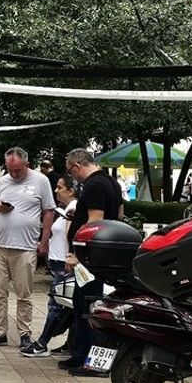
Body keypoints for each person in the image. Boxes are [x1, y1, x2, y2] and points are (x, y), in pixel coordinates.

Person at [52, 149, 123, 371]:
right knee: (85, 303)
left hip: (90, 257)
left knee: (87, 305)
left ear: (77, 166)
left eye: (71, 171)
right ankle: (80, 353)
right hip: (102, 255)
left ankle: (88, 359)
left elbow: (94, 222)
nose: (73, 176)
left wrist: (77, 255)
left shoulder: (93, 185)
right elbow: (119, 215)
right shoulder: (112, 182)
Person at [0, 147, 56, 349]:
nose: (13, 174)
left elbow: (48, 211)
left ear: (27, 165)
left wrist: (45, 239)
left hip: (25, 246)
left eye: (18, 170)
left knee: (24, 294)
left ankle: (24, 332)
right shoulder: (3, 181)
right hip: (0, 244)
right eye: (10, 169)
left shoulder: (40, 181)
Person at [23, 174, 78, 359]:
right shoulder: (65, 208)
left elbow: (72, 236)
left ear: (71, 191)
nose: (56, 191)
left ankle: (42, 343)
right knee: (67, 306)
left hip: (64, 264)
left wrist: (71, 256)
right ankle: (70, 343)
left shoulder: (73, 207)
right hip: (58, 262)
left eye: (60, 187)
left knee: (56, 305)